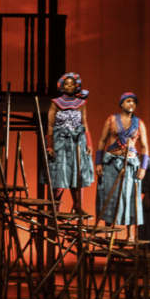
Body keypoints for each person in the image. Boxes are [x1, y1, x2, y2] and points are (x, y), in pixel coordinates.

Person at [95, 92, 149, 238]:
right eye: (128, 101)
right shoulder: (112, 120)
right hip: (111, 163)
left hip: (130, 164)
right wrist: (98, 162)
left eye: (133, 101)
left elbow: (144, 146)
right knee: (109, 194)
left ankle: (130, 234)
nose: (131, 104)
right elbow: (102, 141)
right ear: (122, 103)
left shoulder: (139, 123)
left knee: (130, 195)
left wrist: (143, 167)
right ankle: (109, 232)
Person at [46, 73, 95, 214]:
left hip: (77, 142)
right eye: (66, 84)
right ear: (62, 86)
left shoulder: (81, 104)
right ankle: (55, 206)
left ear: (76, 86)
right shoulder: (56, 103)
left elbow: (84, 123)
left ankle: (77, 205)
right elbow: (50, 125)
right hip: (60, 142)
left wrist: (89, 144)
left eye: (72, 84)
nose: (69, 86)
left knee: (76, 173)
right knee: (60, 173)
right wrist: (50, 145)